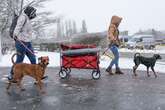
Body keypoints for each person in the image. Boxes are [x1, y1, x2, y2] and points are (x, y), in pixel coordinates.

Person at [8, 6, 37, 80]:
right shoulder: (23, 17)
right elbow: (18, 27)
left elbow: (27, 31)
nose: (33, 14)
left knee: (33, 58)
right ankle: (12, 74)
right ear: (29, 11)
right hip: (21, 42)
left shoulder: (28, 19)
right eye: (32, 12)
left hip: (28, 42)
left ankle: (37, 74)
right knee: (19, 60)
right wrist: (15, 35)